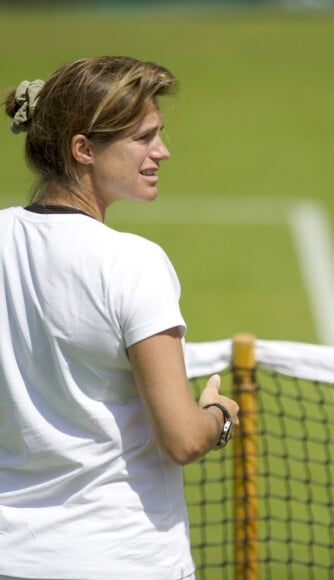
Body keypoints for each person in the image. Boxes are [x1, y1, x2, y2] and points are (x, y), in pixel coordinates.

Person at [0, 56, 239, 580]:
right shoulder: (134, 262)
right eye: (144, 138)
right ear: (83, 150)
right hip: (123, 560)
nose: (163, 152)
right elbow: (180, 438)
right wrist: (219, 417)